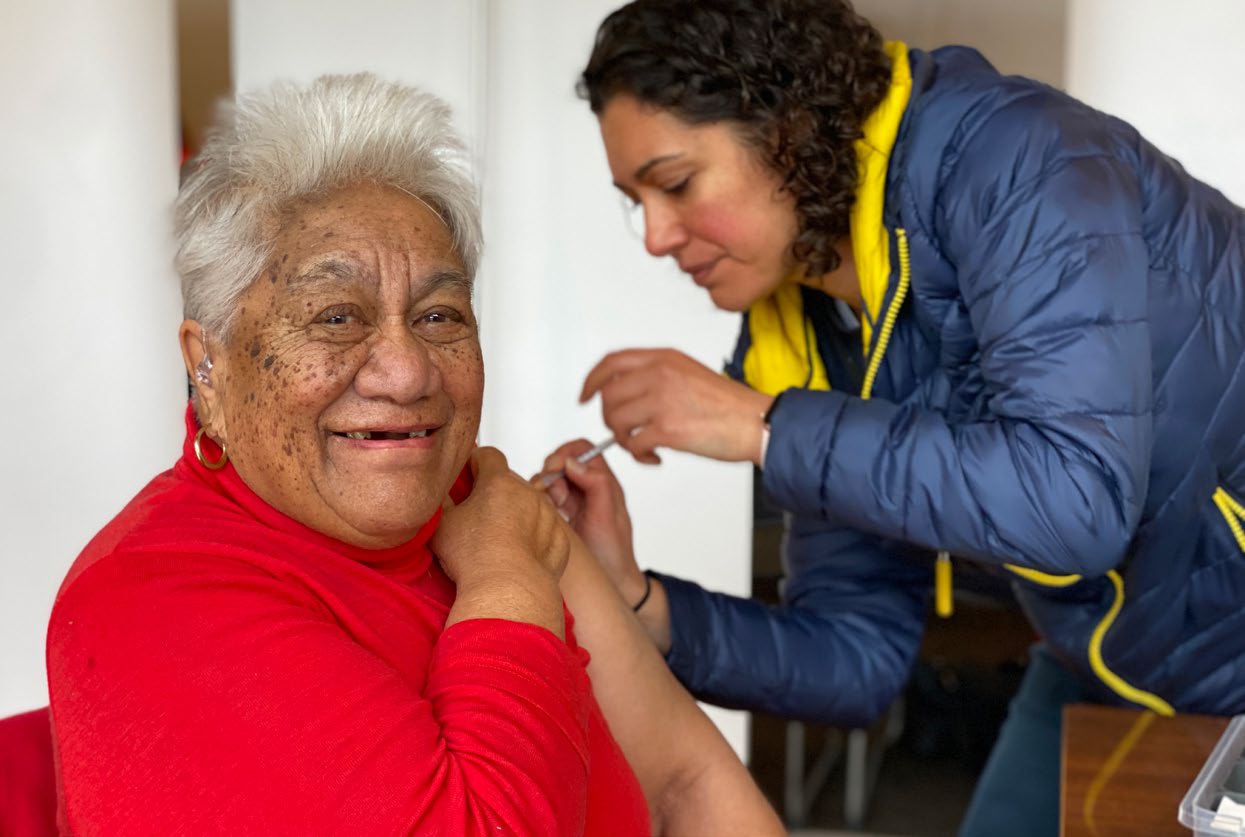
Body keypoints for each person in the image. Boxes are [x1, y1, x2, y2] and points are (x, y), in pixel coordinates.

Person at [540, 1, 1245, 835]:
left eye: (676, 182)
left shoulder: (1021, 163)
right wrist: (636, 598)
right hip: (1106, 658)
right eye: (635, 200)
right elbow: (851, 657)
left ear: (788, 130)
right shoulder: (806, 322)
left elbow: (1073, 504)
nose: (655, 236)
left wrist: (765, 426)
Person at [45, 72, 782, 837]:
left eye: (438, 314)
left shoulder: (479, 502)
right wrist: (504, 575)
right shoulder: (155, 594)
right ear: (210, 365)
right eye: (335, 316)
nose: (406, 371)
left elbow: (688, 783)